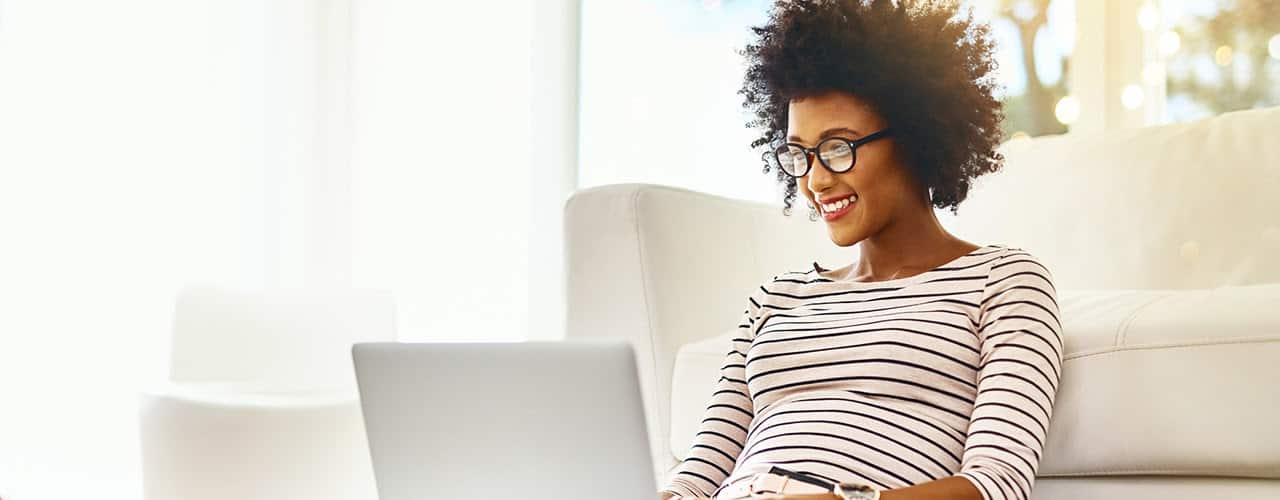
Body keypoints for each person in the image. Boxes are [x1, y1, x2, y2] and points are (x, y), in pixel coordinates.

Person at [657, 1, 1063, 500]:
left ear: (914, 138)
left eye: (838, 147)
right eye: (799, 154)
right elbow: (696, 477)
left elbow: (996, 485)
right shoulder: (776, 299)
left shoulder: (1002, 281)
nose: (817, 180)